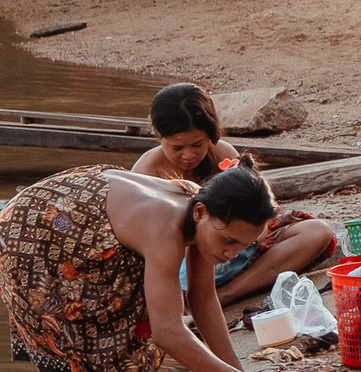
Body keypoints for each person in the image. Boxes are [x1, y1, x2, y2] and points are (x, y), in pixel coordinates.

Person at [0, 164, 295, 372]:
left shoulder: (202, 208)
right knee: (95, 370)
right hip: (28, 240)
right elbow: (168, 333)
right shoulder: (165, 225)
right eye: (228, 241)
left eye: (242, 246)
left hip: (70, 231)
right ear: (200, 212)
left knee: (99, 358)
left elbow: (202, 299)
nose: (231, 254)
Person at [130, 82, 336, 304]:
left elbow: (259, 212)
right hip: (182, 262)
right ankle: (197, 294)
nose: (189, 155)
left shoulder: (224, 154)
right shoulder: (145, 174)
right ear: (158, 136)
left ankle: (227, 294)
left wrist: (245, 240)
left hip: (239, 247)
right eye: (177, 148)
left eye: (197, 144)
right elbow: (144, 246)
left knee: (316, 232)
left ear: (211, 134)